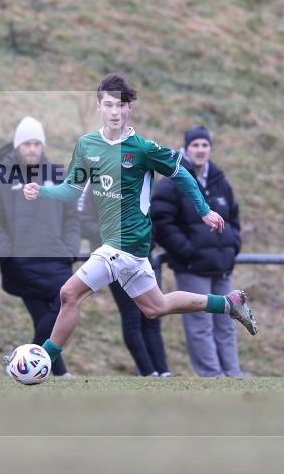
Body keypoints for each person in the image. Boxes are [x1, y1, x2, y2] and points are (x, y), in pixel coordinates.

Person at [22, 74, 256, 372]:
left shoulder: (143, 149)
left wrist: (204, 210)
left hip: (126, 241)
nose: (115, 112)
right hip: (122, 247)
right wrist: (41, 191)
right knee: (155, 308)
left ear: (129, 108)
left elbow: (181, 173)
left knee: (69, 293)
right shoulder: (87, 145)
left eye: (121, 105)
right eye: (108, 105)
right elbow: (71, 189)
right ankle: (227, 303)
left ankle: (41, 361)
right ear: (99, 107)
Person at [0, 116, 79, 377]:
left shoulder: (59, 173)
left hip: (57, 259)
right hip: (22, 265)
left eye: (37, 143)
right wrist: (8, 252)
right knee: (47, 319)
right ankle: (55, 372)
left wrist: (70, 248)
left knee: (60, 309)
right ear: (17, 147)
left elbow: (71, 216)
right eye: (27, 144)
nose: (33, 149)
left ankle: (24, 364)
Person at [152, 126, 244, 377]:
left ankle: (232, 374)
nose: (201, 150)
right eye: (196, 145)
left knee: (228, 320)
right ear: (186, 148)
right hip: (192, 267)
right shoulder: (174, 179)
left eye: (205, 145)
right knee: (200, 324)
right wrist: (187, 251)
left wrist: (232, 244)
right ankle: (212, 376)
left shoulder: (219, 180)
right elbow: (161, 221)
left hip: (221, 265)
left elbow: (233, 217)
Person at [78, 185, 170, 377]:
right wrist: (115, 234)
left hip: (142, 256)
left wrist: (144, 237)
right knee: (132, 316)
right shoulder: (95, 185)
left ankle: (163, 372)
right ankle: (148, 373)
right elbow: (84, 223)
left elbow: (151, 218)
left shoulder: (138, 178)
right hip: (113, 259)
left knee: (153, 314)